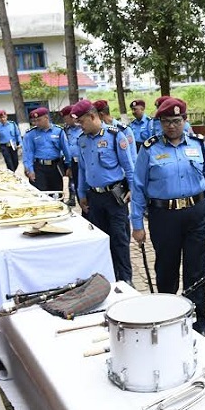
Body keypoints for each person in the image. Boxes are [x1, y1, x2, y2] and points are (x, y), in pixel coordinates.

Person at [131, 97, 205, 335]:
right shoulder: (149, 149)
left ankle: (198, 325)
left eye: (176, 121)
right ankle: (169, 321)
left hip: (196, 213)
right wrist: (137, 223)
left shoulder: (199, 145)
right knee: (167, 270)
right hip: (164, 216)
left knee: (196, 271)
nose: (171, 126)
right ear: (159, 122)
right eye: (166, 121)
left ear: (185, 120)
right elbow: (138, 187)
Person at [72, 99, 135, 283]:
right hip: (94, 197)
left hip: (115, 196)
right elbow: (83, 170)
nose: (80, 126)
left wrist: (133, 190)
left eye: (81, 122)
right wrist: (81, 194)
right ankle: (106, 277)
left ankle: (125, 279)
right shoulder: (82, 140)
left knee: (120, 239)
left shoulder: (115, 136)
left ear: (92, 116)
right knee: (100, 239)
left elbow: (129, 167)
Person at [22, 107, 70, 192]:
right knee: (41, 194)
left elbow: (66, 150)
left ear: (46, 117)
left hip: (55, 167)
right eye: (34, 121)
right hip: (39, 168)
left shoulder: (58, 131)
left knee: (57, 193)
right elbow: (28, 153)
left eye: (39, 120)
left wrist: (69, 166)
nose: (36, 123)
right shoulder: (31, 134)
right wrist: (30, 170)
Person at [59, 104, 82, 206]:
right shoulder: (66, 129)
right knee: (73, 181)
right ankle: (74, 198)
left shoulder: (83, 127)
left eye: (66, 118)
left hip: (83, 161)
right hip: (72, 160)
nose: (65, 121)